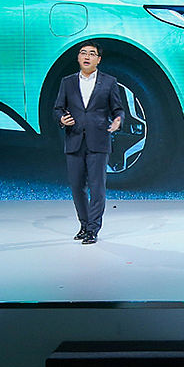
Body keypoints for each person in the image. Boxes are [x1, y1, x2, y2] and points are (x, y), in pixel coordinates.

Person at [53, 41, 124, 245]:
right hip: (74, 139)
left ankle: (93, 229)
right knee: (77, 187)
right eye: (83, 53)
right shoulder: (67, 82)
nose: (87, 56)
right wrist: (61, 119)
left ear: (98, 60)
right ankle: (84, 225)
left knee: (97, 186)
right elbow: (57, 108)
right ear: (78, 57)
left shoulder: (109, 82)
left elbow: (118, 109)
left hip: (98, 140)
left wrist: (118, 120)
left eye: (92, 54)